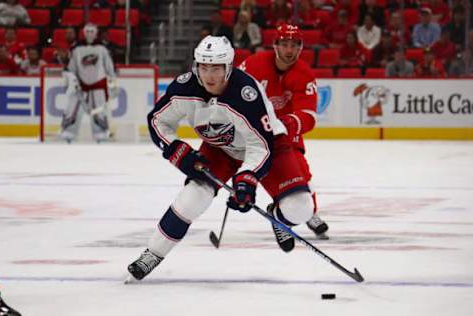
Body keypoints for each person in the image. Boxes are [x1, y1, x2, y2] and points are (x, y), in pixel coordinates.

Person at [127, 36, 290, 280]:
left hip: (261, 145)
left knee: (300, 208)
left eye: (216, 68)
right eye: (204, 67)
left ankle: (281, 216)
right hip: (219, 148)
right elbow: (157, 120)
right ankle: (153, 253)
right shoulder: (184, 87)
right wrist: (176, 150)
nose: (209, 75)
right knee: (191, 199)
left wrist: (246, 179)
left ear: (228, 67)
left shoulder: (246, 93)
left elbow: (261, 145)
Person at [238, 23, 330, 252]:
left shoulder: (305, 74)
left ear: (301, 47)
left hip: (286, 133)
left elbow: (308, 116)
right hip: (254, 130)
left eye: (295, 45)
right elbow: (233, 93)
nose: (289, 50)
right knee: (259, 173)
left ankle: (305, 213)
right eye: (285, 44)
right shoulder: (252, 64)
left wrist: (288, 124)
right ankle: (286, 209)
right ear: (275, 44)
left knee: (303, 176)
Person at [59, 23, 117, 143]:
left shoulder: (102, 48)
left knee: (99, 111)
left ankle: (101, 134)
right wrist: (71, 80)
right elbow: (71, 68)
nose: (90, 34)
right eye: (87, 31)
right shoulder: (77, 49)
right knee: (72, 109)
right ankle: (69, 132)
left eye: (92, 31)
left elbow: (109, 68)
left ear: (96, 33)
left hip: (98, 86)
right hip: (80, 86)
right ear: (84, 33)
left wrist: (113, 81)